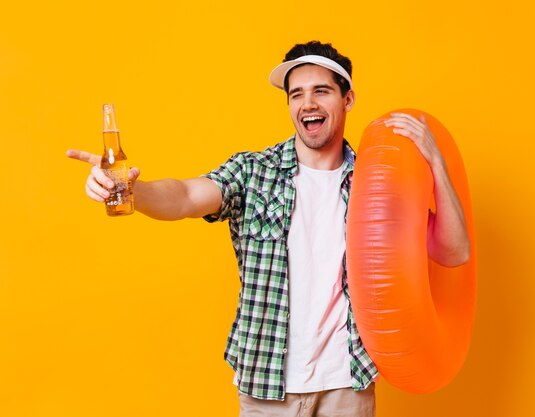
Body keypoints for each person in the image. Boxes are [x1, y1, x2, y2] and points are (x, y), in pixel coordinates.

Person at [67, 40, 470, 417]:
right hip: (267, 384)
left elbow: (454, 252)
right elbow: (186, 197)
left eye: (321, 91)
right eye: (296, 94)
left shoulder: (377, 185)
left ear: (347, 99)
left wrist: (436, 162)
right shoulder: (253, 172)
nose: (307, 104)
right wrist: (131, 190)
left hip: (348, 384)